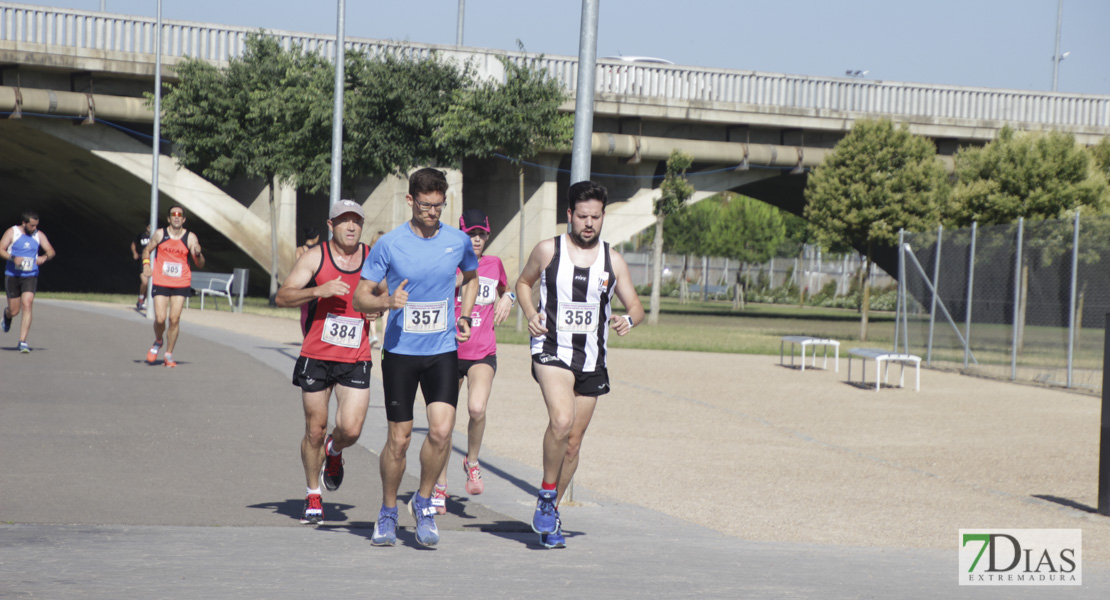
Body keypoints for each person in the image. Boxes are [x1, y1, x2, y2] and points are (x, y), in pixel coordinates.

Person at [352, 168, 479, 547]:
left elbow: (470, 277)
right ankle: (388, 510)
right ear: (410, 201)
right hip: (401, 353)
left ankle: (423, 502)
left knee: (441, 432)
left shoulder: (457, 241)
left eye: (439, 206)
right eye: (426, 206)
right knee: (400, 439)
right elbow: (361, 296)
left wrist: (467, 314)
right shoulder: (389, 244)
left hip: (442, 350)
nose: (433, 213)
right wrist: (387, 301)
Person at [515, 181, 644, 548]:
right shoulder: (547, 250)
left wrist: (628, 321)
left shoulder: (613, 260)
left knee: (573, 444)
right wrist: (530, 311)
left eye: (596, 217)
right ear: (569, 215)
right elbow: (524, 283)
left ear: (603, 217)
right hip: (551, 348)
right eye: (583, 216)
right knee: (562, 419)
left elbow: (636, 307)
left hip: (592, 357)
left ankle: (550, 511)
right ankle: (544, 495)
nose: (589, 223)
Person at [277, 200, 376, 525]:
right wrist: (318, 290)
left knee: (351, 428)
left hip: (355, 355)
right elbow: (283, 296)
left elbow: (384, 291)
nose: (351, 227)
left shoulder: (372, 256)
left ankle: (335, 451)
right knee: (314, 431)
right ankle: (313, 494)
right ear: (330, 224)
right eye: (344, 221)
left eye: (356, 221)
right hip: (317, 354)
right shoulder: (315, 256)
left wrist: (379, 307)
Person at [432, 209, 514, 514]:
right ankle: (440, 485)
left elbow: (508, 289)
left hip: (482, 352)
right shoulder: (449, 262)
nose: (476, 239)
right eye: (471, 234)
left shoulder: (495, 265)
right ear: (461, 234)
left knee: (477, 408)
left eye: (481, 234)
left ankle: (472, 461)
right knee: (443, 424)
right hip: (447, 351)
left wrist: (510, 298)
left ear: (487, 236)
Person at [141, 205, 205, 368]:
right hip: (161, 281)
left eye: (180, 215)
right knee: (161, 319)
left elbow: (200, 264)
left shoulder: (190, 237)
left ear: (183, 219)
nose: (176, 217)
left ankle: (168, 354)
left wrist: (198, 254)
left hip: (180, 282)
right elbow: (146, 251)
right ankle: (158, 341)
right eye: (173, 214)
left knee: (174, 319)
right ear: (169, 218)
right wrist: (146, 265)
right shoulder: (160, 234)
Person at [1, 210, 57, 353]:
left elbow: (51, 251)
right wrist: (12, 258)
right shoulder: (12, 232)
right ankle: (7, 316)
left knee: (28, 303)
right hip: (12, 274)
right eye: (31, 226)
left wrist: (44, 257)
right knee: (14, 311)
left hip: (30, 275)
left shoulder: (38, 235)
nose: (34, 228)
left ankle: (22, 342)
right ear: (24, 223)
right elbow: (1, 249)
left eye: (36, 225)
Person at [130, 224, 152, 311]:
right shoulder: (141, 236)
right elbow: (133, 243)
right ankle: (141, 298)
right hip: (143, 262)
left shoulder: (156, 236)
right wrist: (134, 253)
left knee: (150, 285)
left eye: (152, 227)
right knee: (145, 282)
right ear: (146, 227)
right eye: (149, 227)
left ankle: (143, 301)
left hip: (153, 262)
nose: (150, 229)